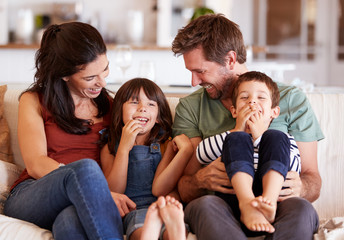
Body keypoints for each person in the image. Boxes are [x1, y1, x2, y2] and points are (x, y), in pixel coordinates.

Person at [171, 13, 324, 239]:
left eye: (200, 71)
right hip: (221, 205)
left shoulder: (291, 99)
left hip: (277, 205)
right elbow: (183, 187)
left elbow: (313, 179)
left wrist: (301, 187)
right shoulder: (191, 107)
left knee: (302, 210)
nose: (194, 82)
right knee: (204, 206)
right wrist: (200, 180)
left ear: (230, 60)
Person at [3, 22, 136, 240]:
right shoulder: (33, 101)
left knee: (69, 222)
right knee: (85, 169)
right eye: (90, 78)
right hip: (33, 194)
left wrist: (94, 194)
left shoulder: (112, 107)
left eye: (105, 69)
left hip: (81, 202)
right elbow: (36, 164)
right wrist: (94, 190)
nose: (102, 82)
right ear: (64, 75)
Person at [196, 71, 301, 233]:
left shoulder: (285, 139)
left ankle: (269, 202)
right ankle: (247, 204)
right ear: (234, 111)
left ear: (274, 112)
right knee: (238, 139)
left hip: (273, 206)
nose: (252, 101)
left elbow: (293, 166)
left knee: (275, 136)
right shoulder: (230, 137)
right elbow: (202, 153)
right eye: (244, 98)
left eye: (261, 98)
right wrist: (238, 130)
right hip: (234, 202)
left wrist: (260, 137)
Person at [100, 78, 193, 240]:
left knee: (170, 230)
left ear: (157, 117)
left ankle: (174, 232)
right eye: (134, 102)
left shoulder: (166, 144)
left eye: (151, 104)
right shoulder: (110, 148)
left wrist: (183, 151)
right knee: (139, 228)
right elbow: (115, 190)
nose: (143, 108)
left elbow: (161, 189)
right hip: (134, 211)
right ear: (119, 110)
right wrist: (123, 148)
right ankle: (150, 232)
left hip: (163, 205)